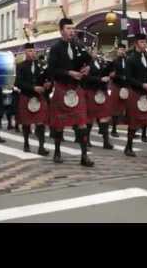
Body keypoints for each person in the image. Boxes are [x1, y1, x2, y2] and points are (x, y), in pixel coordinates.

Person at [47, 16, 94, 167]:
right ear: (61, 31)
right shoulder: (55, 48)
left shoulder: (78, 46)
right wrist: (69, 73)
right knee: (59, 124)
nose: (71, 31)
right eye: (68, 29)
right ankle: (57, 152)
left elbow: (87, 60)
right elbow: (52, 70)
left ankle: (84, 156)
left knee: (82, 123)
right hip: (62, 87)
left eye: (73, 29)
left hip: (76, 88)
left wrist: (88, 67)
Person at [15, 42, 50, 155]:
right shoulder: (20, 66)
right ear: (25, 52)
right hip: (26, 96)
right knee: (26, 123)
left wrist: (48, 85)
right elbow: (18, 82)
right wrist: (33, 88)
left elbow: (47, 79)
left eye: (33, 51)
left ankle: (41, 147)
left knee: (41, 123)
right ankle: (26, 143)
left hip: (39, 97)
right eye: (30, 51)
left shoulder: (41, 65)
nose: (32, 53)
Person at [82, 46, 114, 150]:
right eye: (93, 51)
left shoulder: (100, 62)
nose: (96, 52)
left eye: (96, 50)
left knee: (104, 116)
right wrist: (100, 79)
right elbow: (86, 78)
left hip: (102, 92)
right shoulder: (85, 64)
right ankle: (87, 140)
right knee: (90, 118)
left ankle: (106, 142)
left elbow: (105, 72)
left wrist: (110, 72)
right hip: (91, 91)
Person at [109, 43, 128, 138]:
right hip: (116, 85)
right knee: (115, 109)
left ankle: (131, 129)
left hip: (125, 87)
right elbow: (111, 74)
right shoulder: (114, 61)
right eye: (120, 50)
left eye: (123, 50)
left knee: (126, 108)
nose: (122, 51)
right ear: (117, 50)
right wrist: (121, 76)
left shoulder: (128, 61)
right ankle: (113, 129)